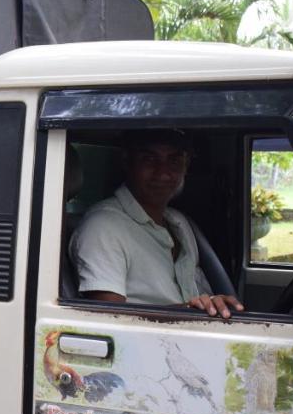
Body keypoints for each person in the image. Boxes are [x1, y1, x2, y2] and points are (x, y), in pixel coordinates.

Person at [68, 129, 244, 318]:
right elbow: (109, 319)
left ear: (186, 166)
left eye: (174, 160)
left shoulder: (180, 222)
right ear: (128, 162)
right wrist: (190, 311)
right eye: (149, 159)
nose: (163, 173)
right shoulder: (103, 227)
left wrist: (210, 305)